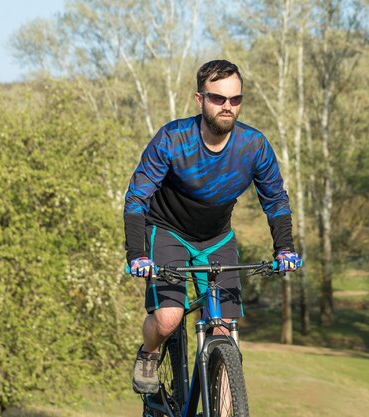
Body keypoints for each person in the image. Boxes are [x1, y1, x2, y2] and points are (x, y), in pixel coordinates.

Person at [123, 59, 302, 394]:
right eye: (218, 98)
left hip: (217, 238)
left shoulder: (253, 146)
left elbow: (276, 199)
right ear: (200, 99)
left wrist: (285, 248)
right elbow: (136, 198)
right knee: (168, 319)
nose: (227, 106)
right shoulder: (173, 139)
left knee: (223, 331)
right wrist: (136, 254)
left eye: (235, 99)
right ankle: (149, 352)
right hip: (168, 232)